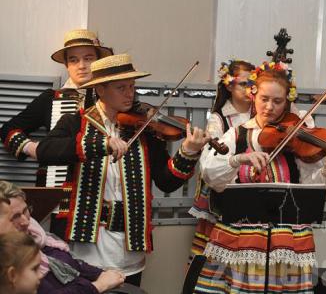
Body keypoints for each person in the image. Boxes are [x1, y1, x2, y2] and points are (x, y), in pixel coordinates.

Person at [36, 54, 211, 286]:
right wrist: (101, 144)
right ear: (100, 90)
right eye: (121, 88)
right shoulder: (75, 123)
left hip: (129, 247)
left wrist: (188, 152)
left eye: (132, 86)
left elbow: (166, 181)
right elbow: (46, 150)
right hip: (86, 244)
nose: (130, 94)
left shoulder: (146, 130)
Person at [193, 61, 326, 293]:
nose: (269, 107)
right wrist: (237, 159)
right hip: (240, 238)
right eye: (264, 99)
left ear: (287, 102)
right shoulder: (237, 134)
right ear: (253, 95)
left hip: (286, 239)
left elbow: (314, 192)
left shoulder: (296, 137)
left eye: (277, 101)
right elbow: (209, 172)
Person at [0, 29, 113, 239]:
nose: (81, 65)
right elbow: (8, 129)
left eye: (88, 58)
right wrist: (32, 148)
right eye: (74, 60)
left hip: (103, 197)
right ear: (66, 65)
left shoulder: (111, 99)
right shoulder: (51, 99)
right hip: (63, 198)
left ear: (98, 61)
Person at [0, 180, 125, 293]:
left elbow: (73, 263)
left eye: (25, 211)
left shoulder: (36, 235)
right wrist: (98, 285)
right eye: (15, 216)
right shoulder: (9, 257)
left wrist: (103, 274)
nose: (26, 222)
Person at [188, 59, 255, 262]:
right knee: (215, 252)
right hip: (224, 191)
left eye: (254, 84)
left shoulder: (260, 113)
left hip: (251, 189)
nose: (250, 89)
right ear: (229, 84)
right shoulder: (219, 118)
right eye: (244, 84)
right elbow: (212, 159)